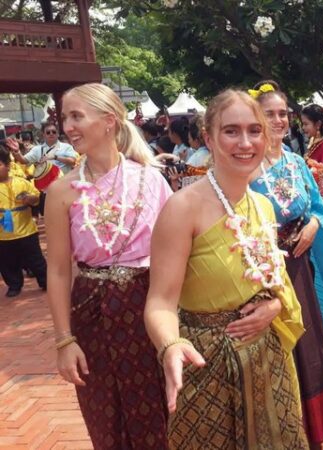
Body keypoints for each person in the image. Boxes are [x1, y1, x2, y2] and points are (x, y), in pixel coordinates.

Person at [144, 89, 309, 449]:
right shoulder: (182, 208)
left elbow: (272, 279)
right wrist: (170, 344)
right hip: (205, 361)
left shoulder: (263, 205)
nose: (245, 143)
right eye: (231, 131)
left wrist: (275, 304)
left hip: (267, 358)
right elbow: (159, 302)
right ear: (209, 138)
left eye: (254, 131)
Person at [45, 83, 171, 449]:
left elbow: (178, 254)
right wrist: (64, 340)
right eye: (64, 118)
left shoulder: (150, 179)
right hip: (91, 312)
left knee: (161, 410)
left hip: (149, 307)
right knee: (105, 416)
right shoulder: (62, 191)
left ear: (109, 121)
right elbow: (58, 270)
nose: (68, 127)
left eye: (76, 116)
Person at [249, 81, 323, 445]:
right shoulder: (246, 165)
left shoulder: (296, 162)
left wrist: (313, 225)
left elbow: (316, 207)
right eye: (269, 114)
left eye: (283, 113)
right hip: (263, 273)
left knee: (307, 344)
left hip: (300, 270)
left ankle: (309, 428)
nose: (279, 120)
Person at [0, 146, 47, 298]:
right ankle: (14, 285)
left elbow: (37, 197)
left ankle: (45, 280)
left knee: (36, 259)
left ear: (8, 165)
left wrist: (31, 199)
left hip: (26, 230)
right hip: (3, 235)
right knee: (7, 262)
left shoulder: (21, 183)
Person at [11, 122, 78, 175]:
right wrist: (17, 151)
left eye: (54, 132)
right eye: (48, 132)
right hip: (47, 185)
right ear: (44, 135)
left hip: (65, 182)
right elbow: (23, 161)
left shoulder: (66, 147)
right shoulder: (37, 149)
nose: (51, 134)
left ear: (57, 134)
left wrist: (55, 157)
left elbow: (72, 161)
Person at [301, 104, 323, 169]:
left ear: (318, 124)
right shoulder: (313, 141)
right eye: (303, 124)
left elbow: (321, 172)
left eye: (306, 124)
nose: (303, 127)